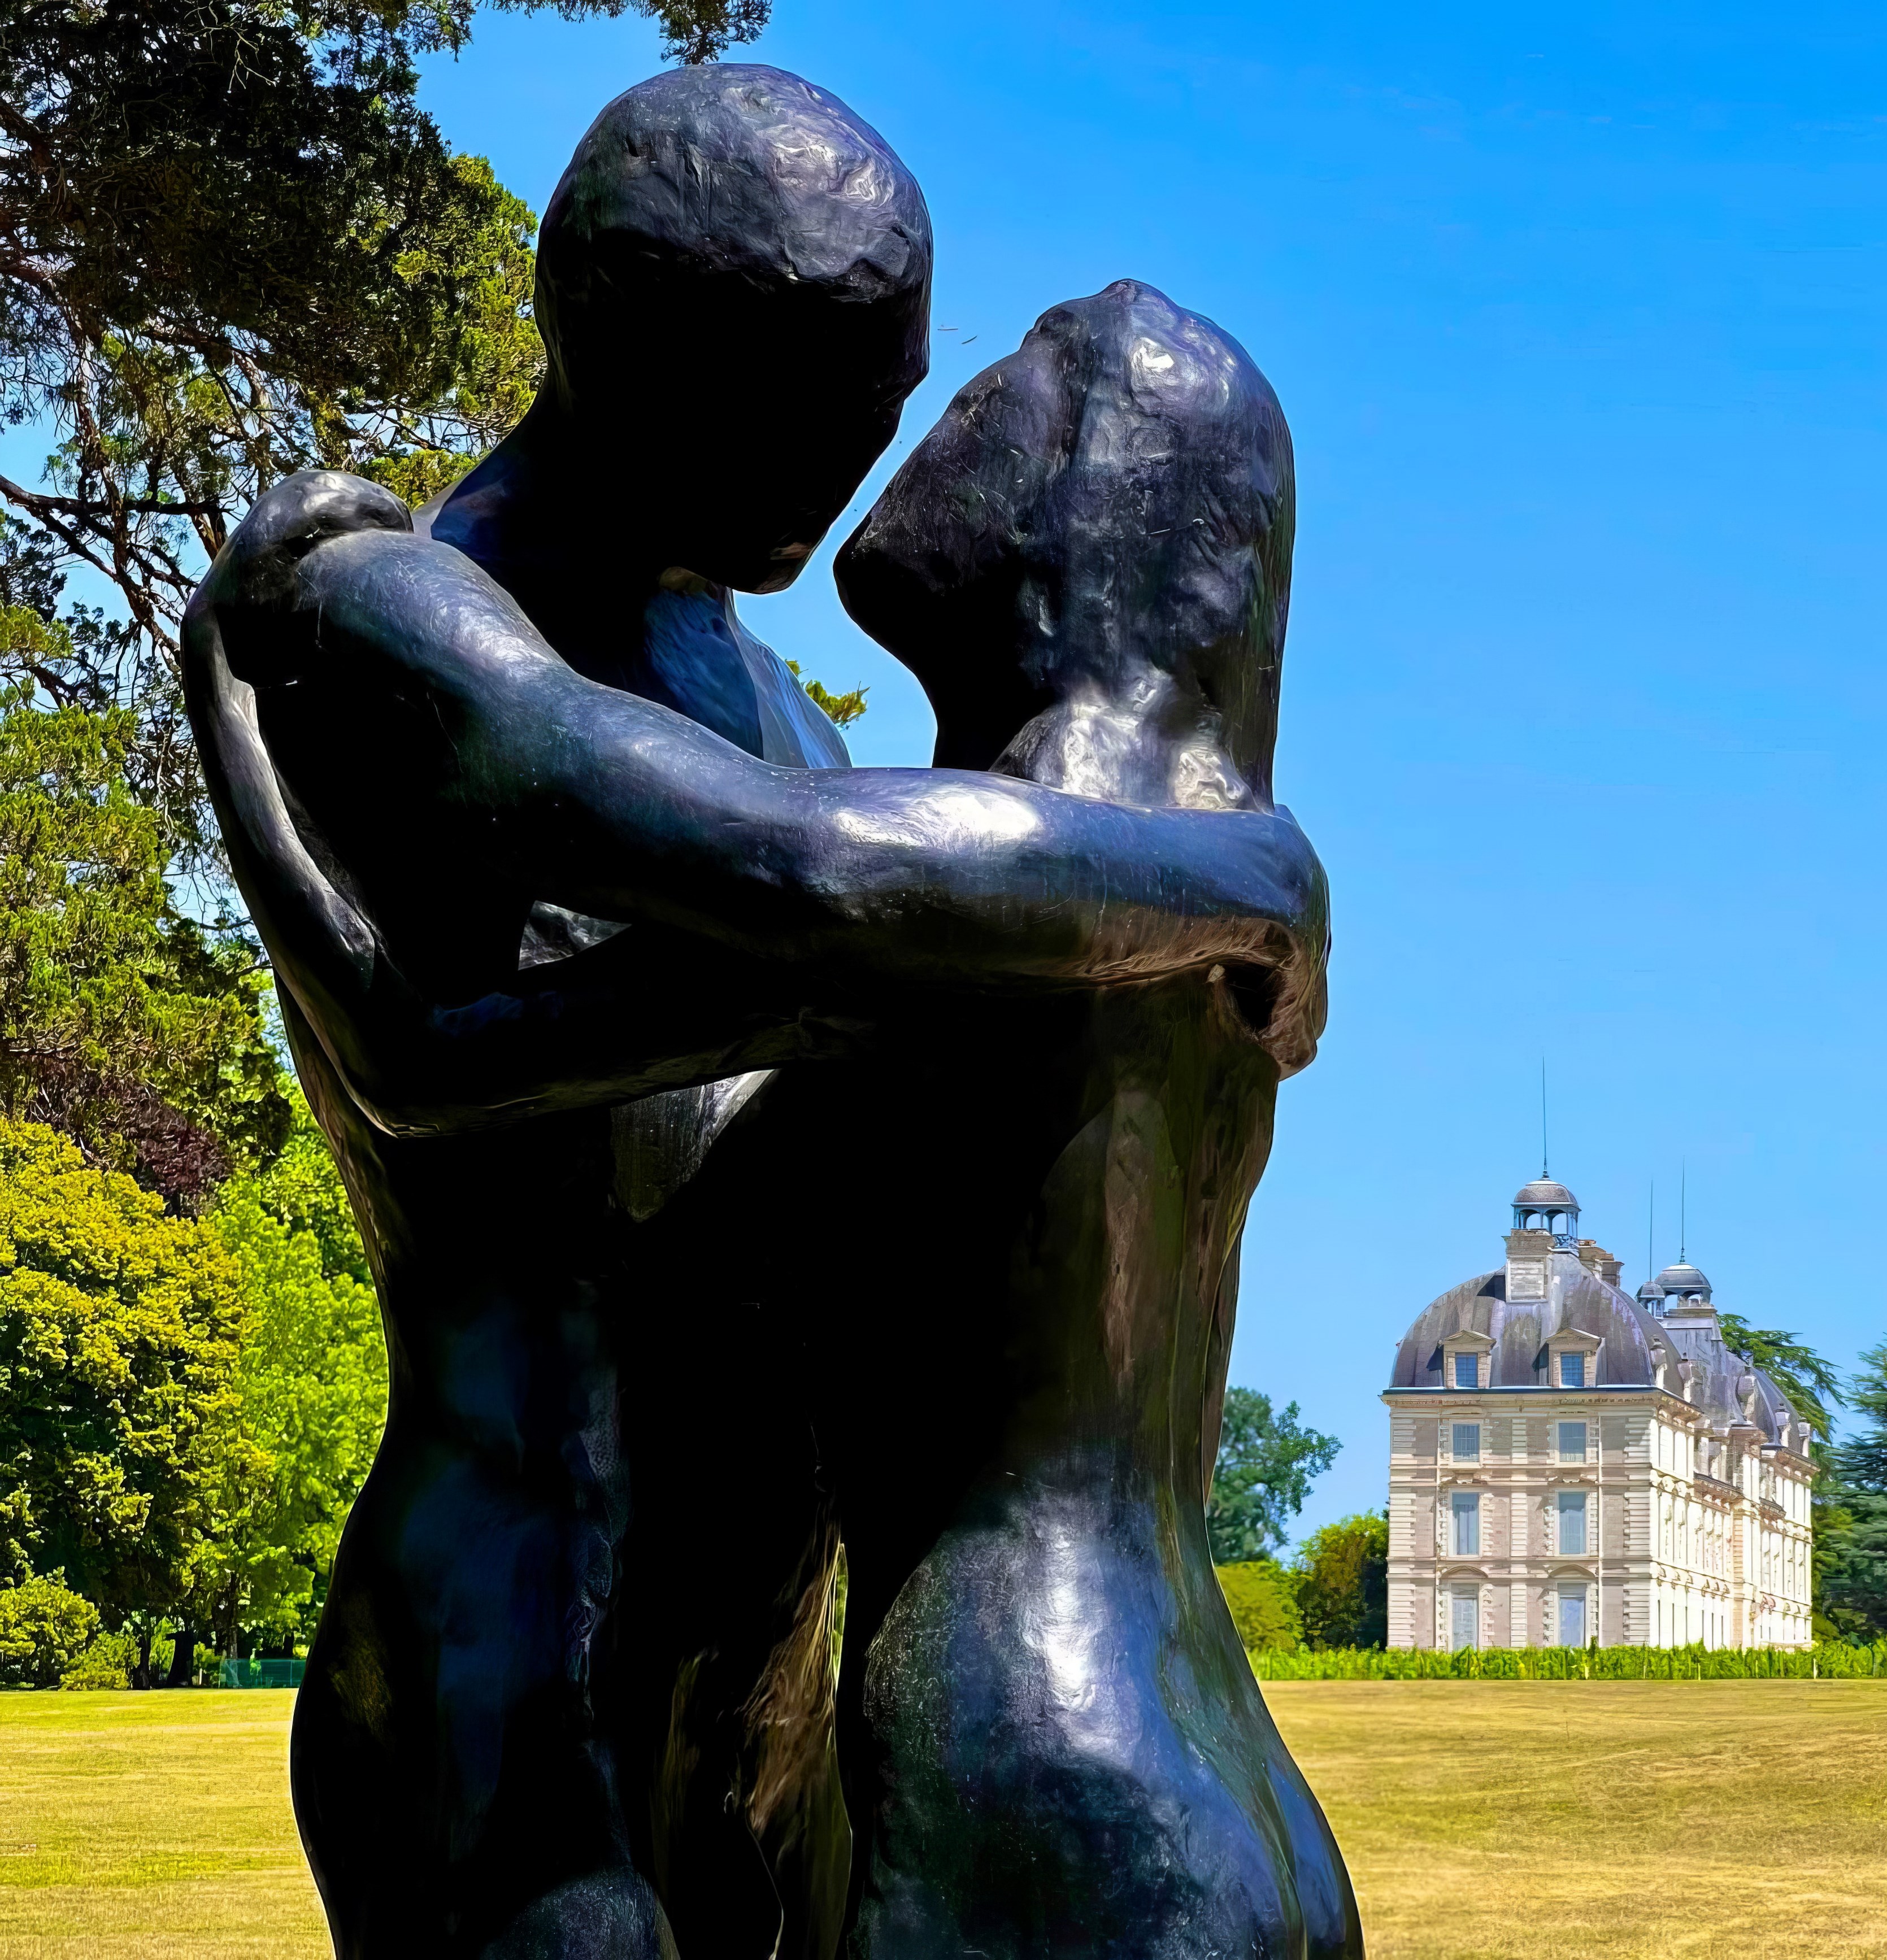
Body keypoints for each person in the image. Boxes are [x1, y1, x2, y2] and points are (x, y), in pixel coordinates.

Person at [184, 69, 1328, 1960]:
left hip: (777, 1682)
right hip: (516, 1648)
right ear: (632, 355)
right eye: (814, 405)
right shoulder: (400, 617)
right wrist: (1249, 884)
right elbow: (801, 895)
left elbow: (797, 1025)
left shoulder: (768, 699)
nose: (858, 459)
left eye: (885, 395)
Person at [647, 280, 1363, 1959]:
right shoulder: (1203, 847)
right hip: (1215, 1771)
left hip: (1033, 1780)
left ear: (1090, 501)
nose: (923, 427)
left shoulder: (1020, 851)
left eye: (1003, 397)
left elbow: (764, 853)